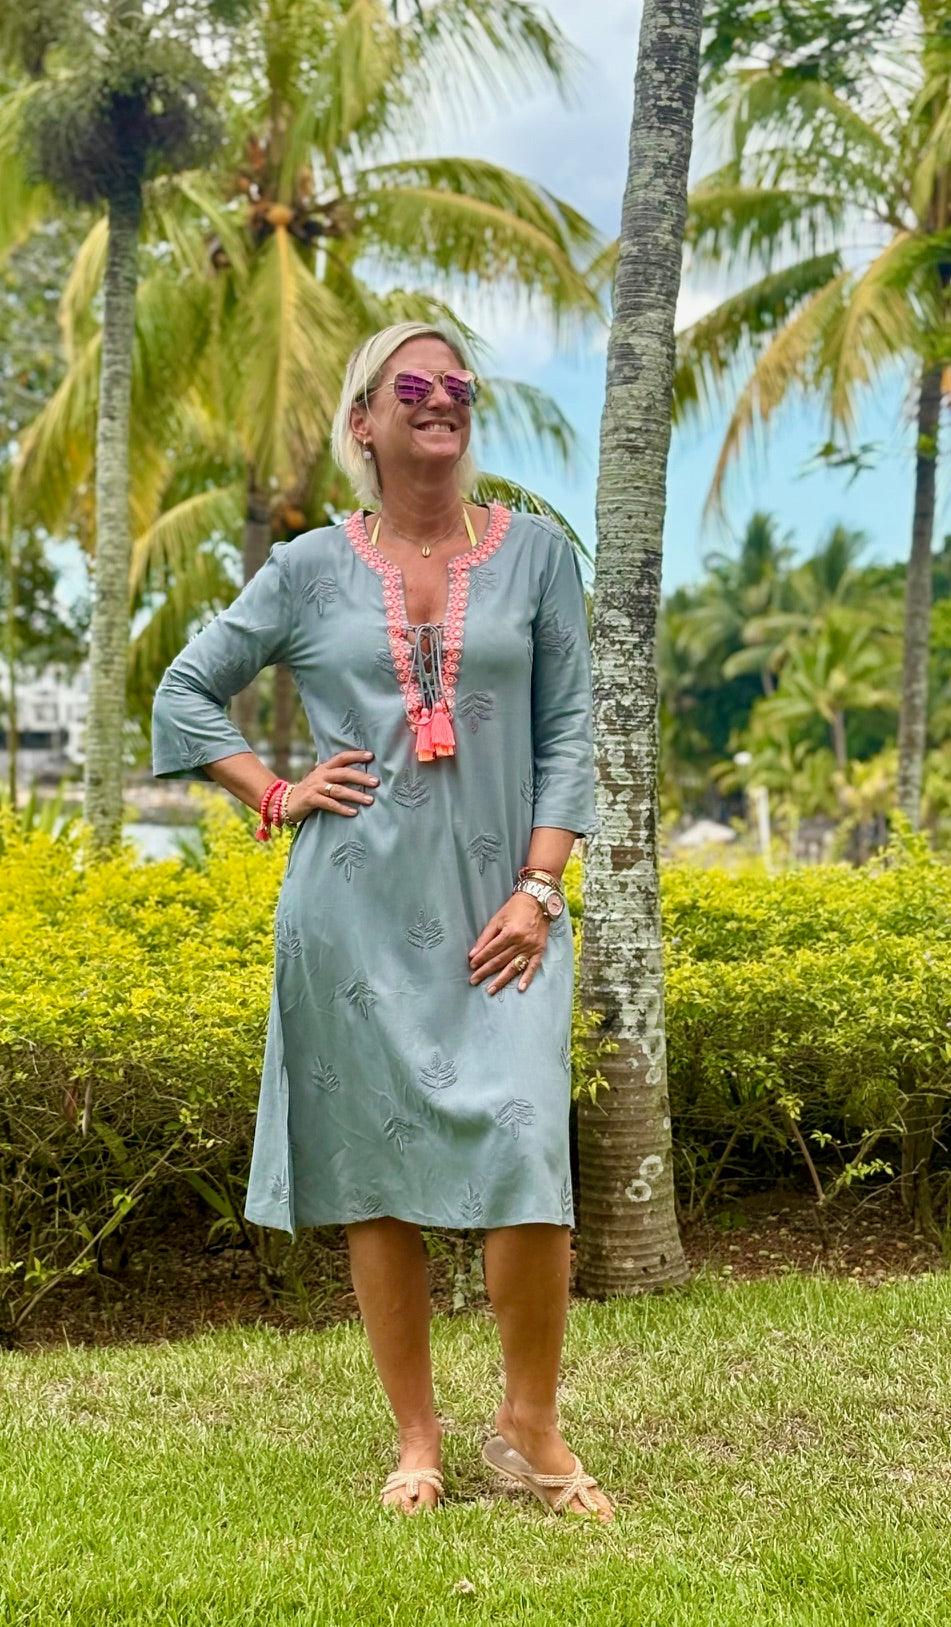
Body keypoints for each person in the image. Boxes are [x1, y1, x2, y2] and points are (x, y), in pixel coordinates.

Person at [151, 321, 613, 1522]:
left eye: (458, 383)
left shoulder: (539, 556)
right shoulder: (308, 569)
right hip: (351, 913)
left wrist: (542, 886)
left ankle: (530, 1426)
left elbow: (572, 731)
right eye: (414, 384)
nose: (441, 398)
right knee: (378, 1178)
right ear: (363, 419)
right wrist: (274, 792)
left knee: (526, 1147)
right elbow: (185, 690)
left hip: (506, 913)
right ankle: (418, 1436)